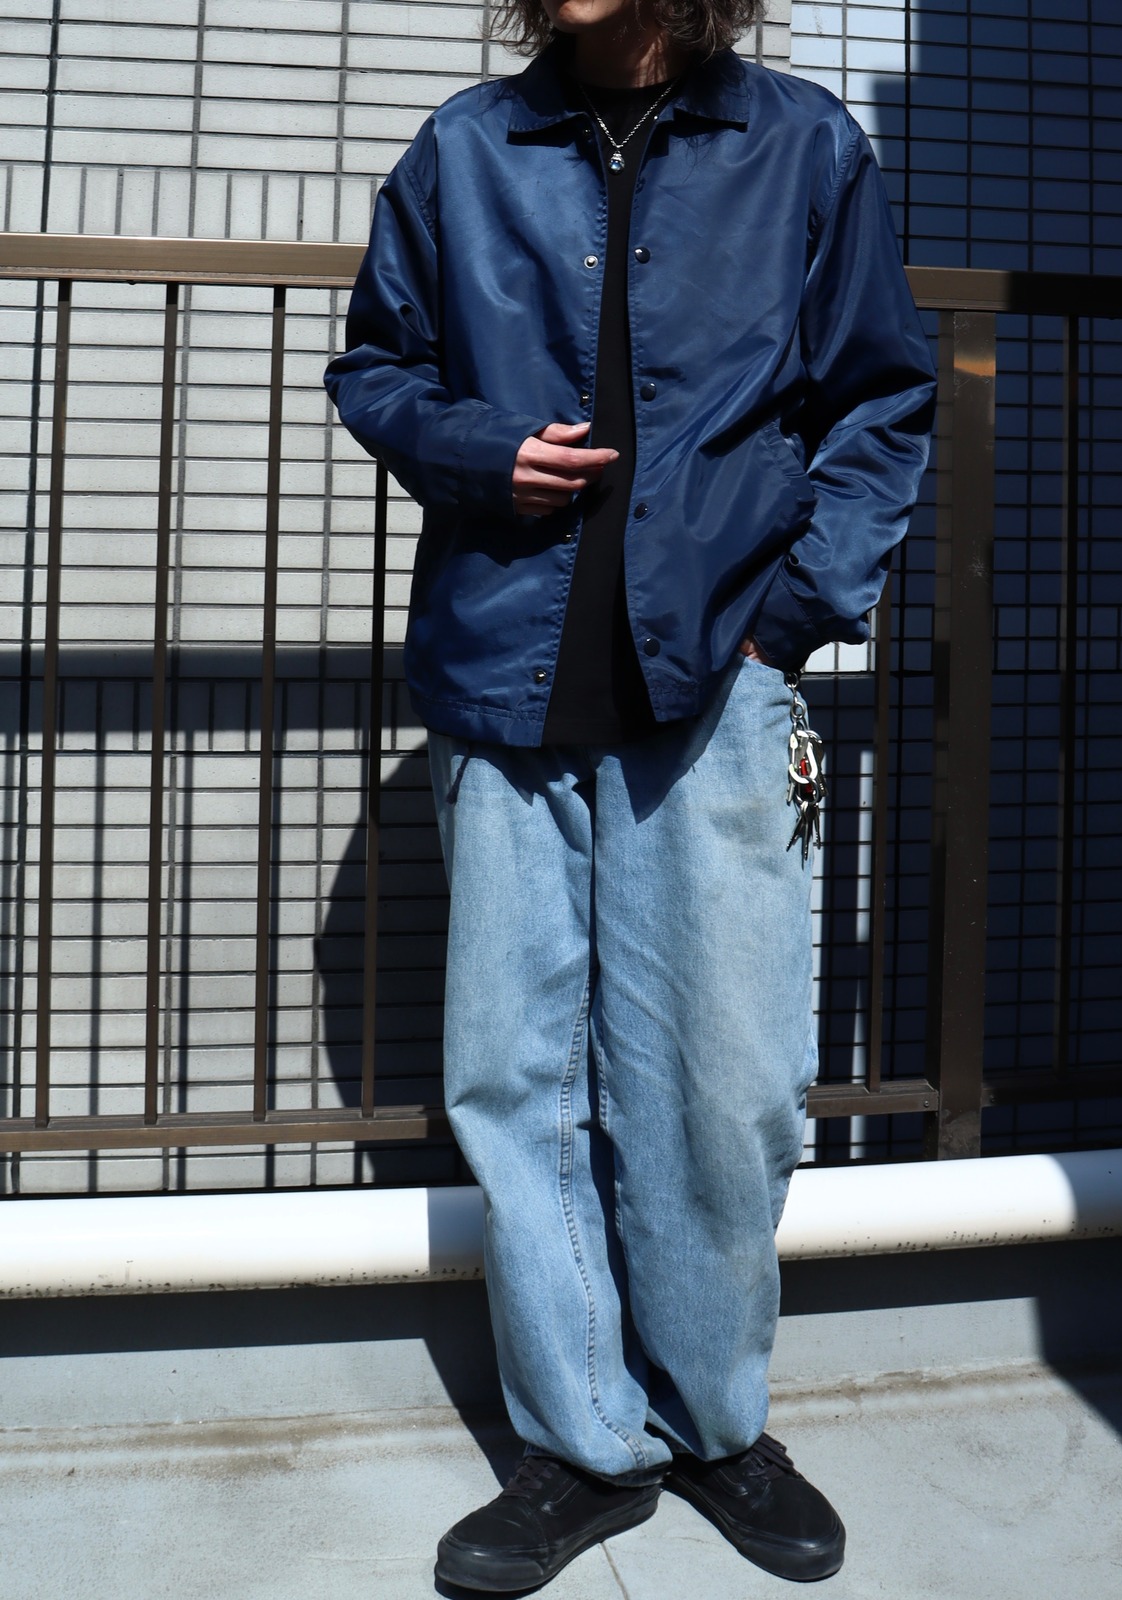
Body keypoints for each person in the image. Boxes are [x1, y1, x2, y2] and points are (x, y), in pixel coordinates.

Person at [325, 0, 935, 1585]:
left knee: (726, 1089)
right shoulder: (466, 149)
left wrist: (790, 617)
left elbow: (881, 401)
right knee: (515, 1083)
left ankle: (718, 1425)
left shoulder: (801, 145)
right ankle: (583, 1447)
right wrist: (479, 449)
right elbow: (375, 367)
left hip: (713, 685)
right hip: (502, 680)